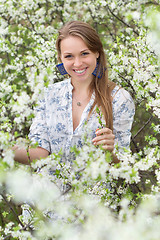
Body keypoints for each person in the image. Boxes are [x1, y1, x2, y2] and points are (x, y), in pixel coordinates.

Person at [13, 21, 135, 164]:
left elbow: (123, 161)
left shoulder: (119, 98)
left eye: (84, 54)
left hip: (94, 186)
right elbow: (40, 152)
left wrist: (111, 151)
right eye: (69, 56)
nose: (77, 63)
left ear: (97, 53)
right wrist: (4, 150)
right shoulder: (49, 94)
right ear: (61, 58)